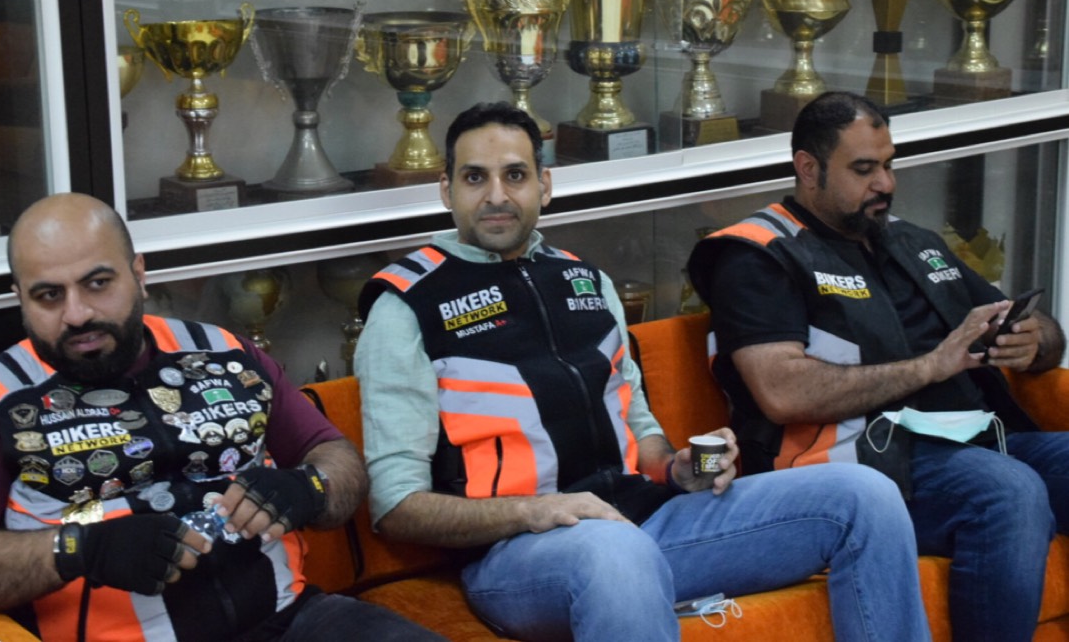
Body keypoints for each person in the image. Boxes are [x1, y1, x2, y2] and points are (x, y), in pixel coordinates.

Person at [354, 100, 932, 642]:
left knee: (865, 496)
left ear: (545, 185)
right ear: (447, 190)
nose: (497, 196)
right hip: (519, 555)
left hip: (645, 522)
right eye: (475, 178)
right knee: (611, 550)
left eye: (516, 175)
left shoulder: (585, 280)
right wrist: (536, 510)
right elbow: (397, 507)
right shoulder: (407, 305)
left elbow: (639, 430)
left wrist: (681, 468)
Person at [0, 193, 446, 642]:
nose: (77, 314)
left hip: (292, 622)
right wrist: (76, 551)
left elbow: (337, 459)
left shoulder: (224, 352)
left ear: (138, 274)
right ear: (19, 299)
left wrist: (307, 487)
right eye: (48, 295)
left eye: (98, 283)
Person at [687, 90, 1069, 642]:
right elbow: (780, 391)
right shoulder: (757, 255)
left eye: (889, 165)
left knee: (1018, 474)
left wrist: (1037, 341)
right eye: (864, 170)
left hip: (977, 437)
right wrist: (929, 366)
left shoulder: (910, 240)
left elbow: (1022, 323)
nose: (885, 184)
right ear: (809, 169)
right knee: (1007, 493)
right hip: (861, 463)